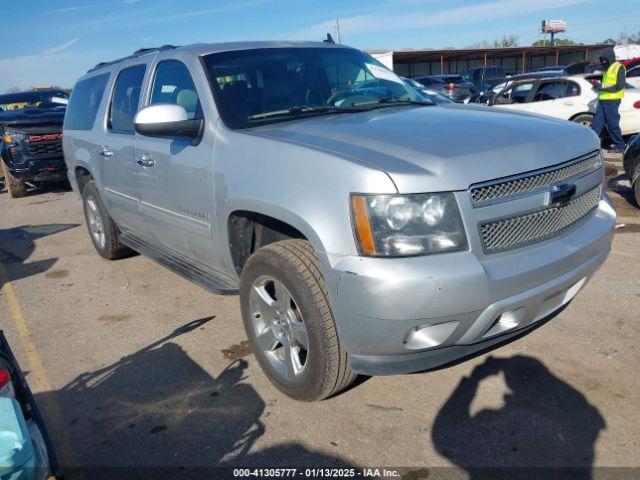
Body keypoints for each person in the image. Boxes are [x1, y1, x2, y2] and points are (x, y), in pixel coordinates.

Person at [592, 47, 627, 153]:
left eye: (605, 59)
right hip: (603, 100)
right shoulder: (607, 68)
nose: (603, 62)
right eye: (602, 60)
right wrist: (598, 86)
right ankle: (590, 145)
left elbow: (620, 86)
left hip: (612, 101)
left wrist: (602, 88)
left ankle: (620, 145)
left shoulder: (619, 67)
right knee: (597, 124)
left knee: (612, 124)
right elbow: (606, 84)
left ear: (610, 57)